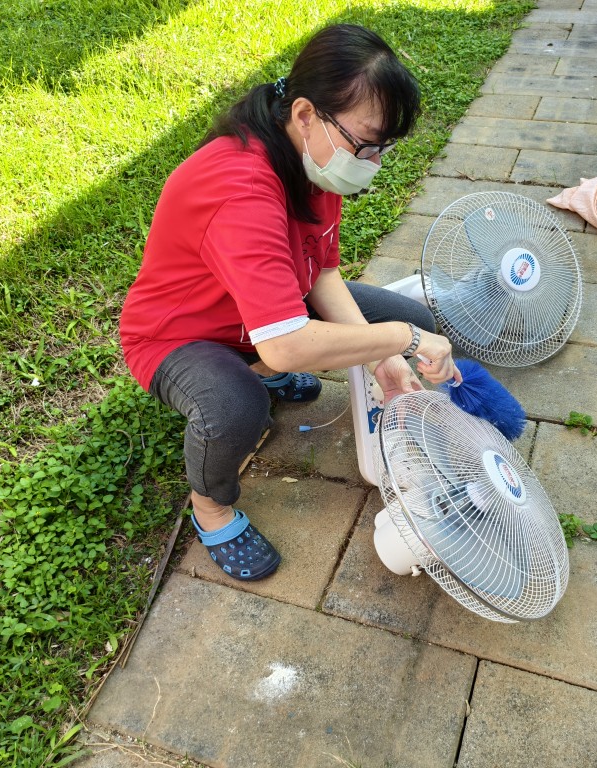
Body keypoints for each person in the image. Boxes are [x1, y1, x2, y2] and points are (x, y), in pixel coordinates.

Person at [119, 23, 459, 582]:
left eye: (383, 148)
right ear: (305, 113)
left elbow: (322, 274)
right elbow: (286, 342)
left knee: (410, 320)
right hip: (181, 335)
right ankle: (210, 508)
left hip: (267, 316)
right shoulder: (240, 187)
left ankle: (260, 371)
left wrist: (386, 357)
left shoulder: (314, 160)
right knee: (237, 407)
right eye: (367, 143)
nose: (373, 162)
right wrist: (402, 341)